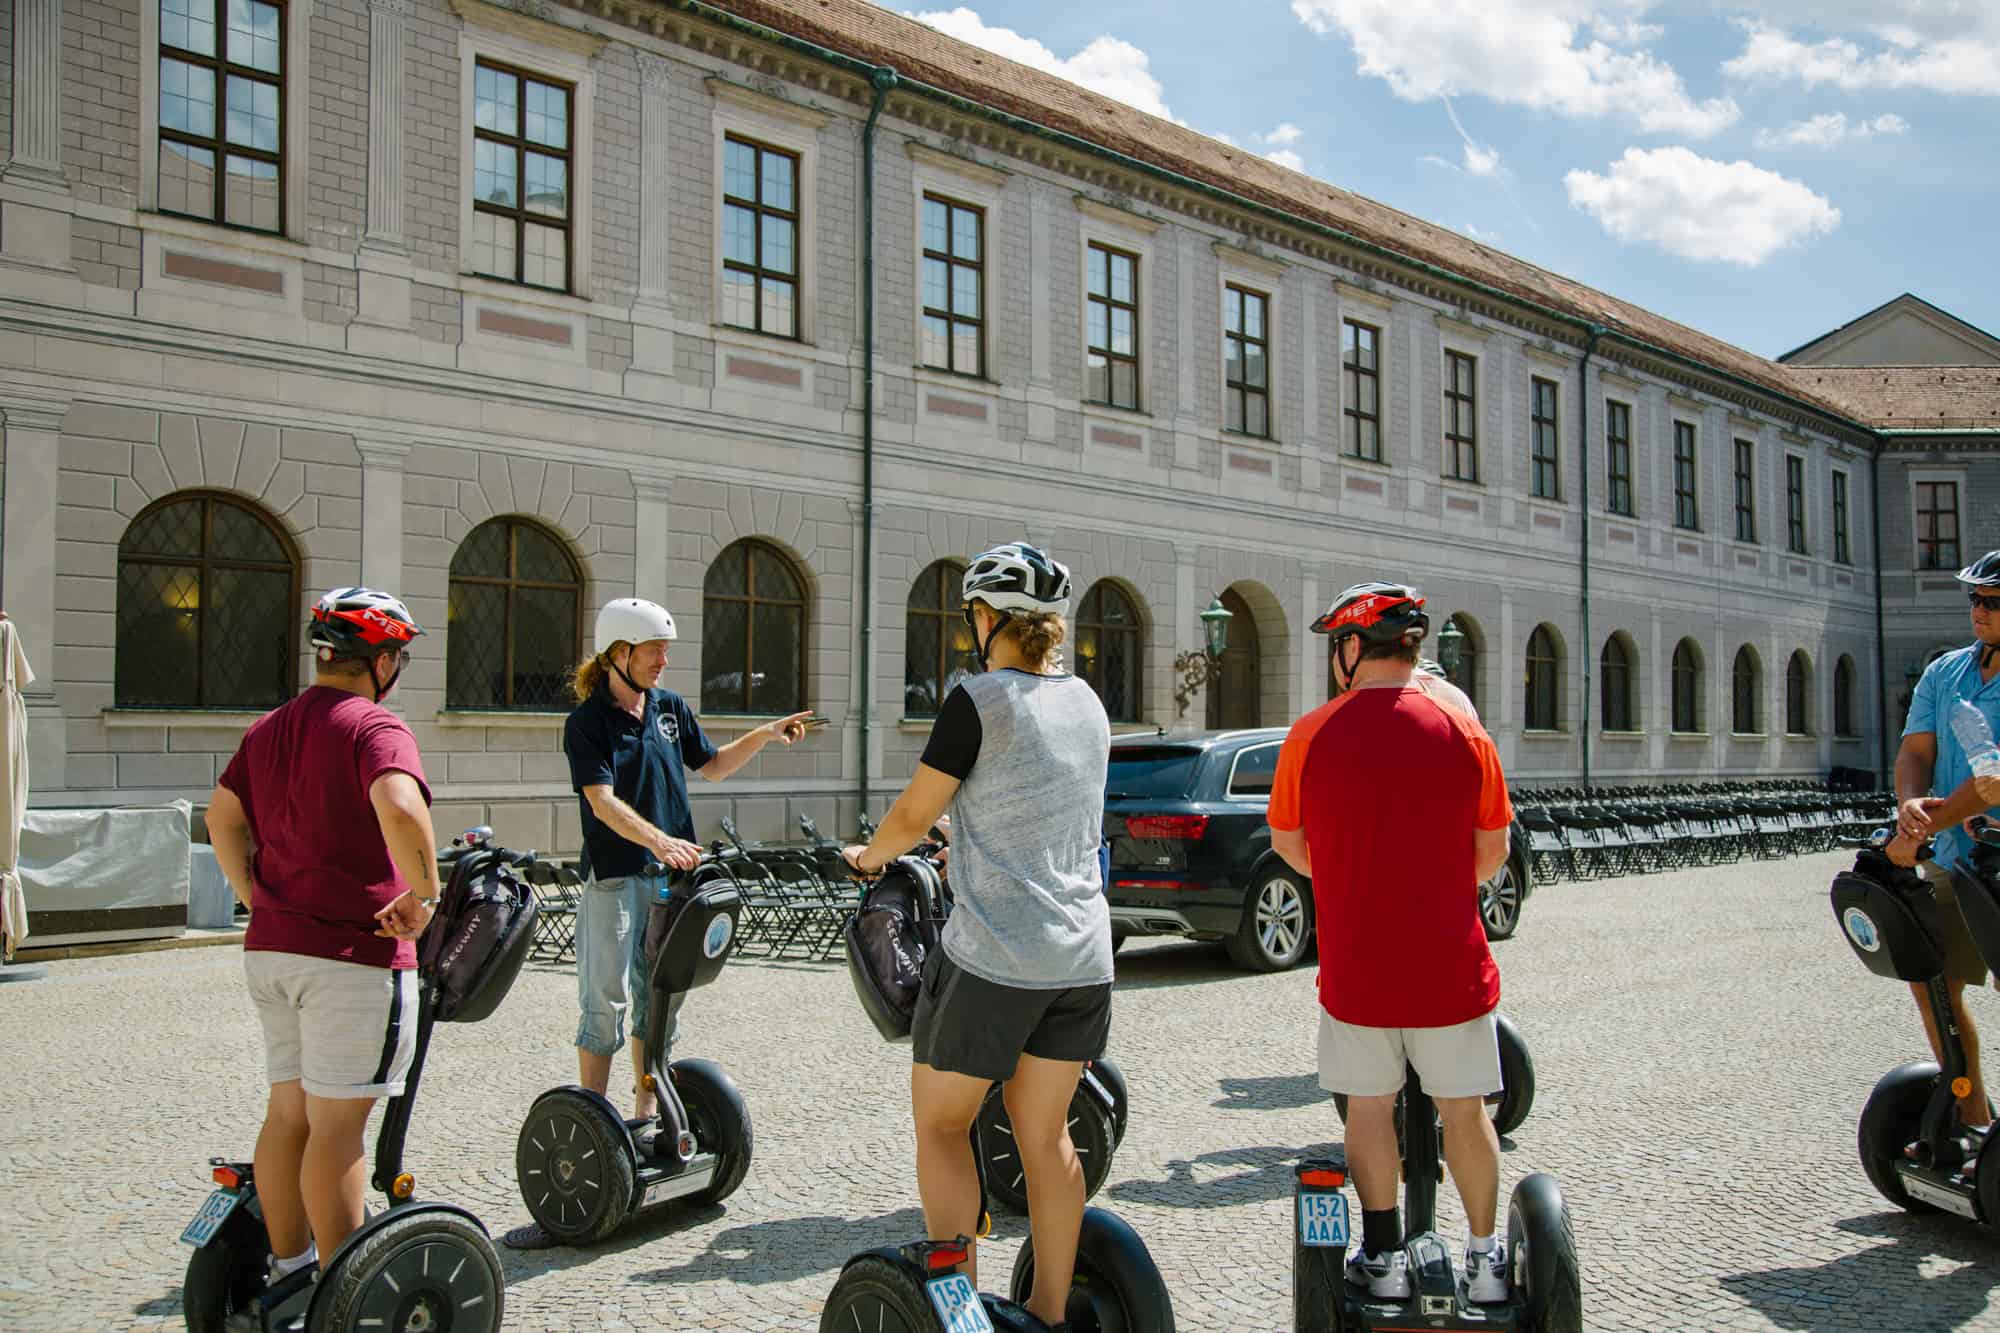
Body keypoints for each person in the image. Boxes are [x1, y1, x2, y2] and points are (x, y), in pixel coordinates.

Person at [839, 543, 1111, 1327]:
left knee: (944, 1123)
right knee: (1045, 1133)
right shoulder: (1089, 704)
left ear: (985, 619)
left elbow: (913, 815)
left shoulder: (977, 699)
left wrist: (868, 857)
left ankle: (959, 1318)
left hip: (997, 954)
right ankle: (1052, 1312)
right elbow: (1050, 811)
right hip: (1082, 958)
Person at [1267, 581, 1514, 1302]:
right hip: (1450, 964)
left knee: (1369, 1108)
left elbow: (1288, 839)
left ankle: (1383, 1257)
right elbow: (1493, 848)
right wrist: (1432, 882)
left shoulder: (1310, 734)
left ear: (1351, 649)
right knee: (1464, 1112)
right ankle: (1486, 1259)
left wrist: (1350, 874)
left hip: (1359, 967)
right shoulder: (1464, 726)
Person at [203, 587, 438, 1305]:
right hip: (351, 955)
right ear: (386, 659)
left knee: (288, 1117)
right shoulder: (375, 726)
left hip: (271, 950)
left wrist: (252, 892)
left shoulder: (267, 728)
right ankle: (346, 1297)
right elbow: (399, 805)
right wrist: (424, 896)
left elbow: (220, 818)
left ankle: (289, 1270)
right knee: (338, 1131)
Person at [560, 599, 810, 1122]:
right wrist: (656, 840)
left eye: (665, 651)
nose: (663, 661)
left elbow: (714, 766)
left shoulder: (669, 708)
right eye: (654, 650)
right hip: (614, 878)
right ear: (619, 653)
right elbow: (600, 802)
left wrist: (762, 735)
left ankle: (645, 1116)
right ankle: (594, 1122)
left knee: (660, 1000)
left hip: (670, 882)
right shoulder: (587, 723)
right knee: (605, 1002)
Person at [1887, 550, 2000, 1154]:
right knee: (1935, 982)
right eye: (1975, 601)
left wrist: (1923, 823)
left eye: (1992, 603)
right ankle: (1973, 1115)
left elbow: (1995, 782)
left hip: (1991, 854)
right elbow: (1915, 751)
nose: (1979, 611)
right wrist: (1909, 803)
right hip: (1954, 858)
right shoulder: (1947, 672)